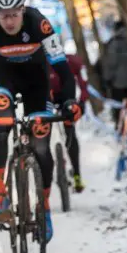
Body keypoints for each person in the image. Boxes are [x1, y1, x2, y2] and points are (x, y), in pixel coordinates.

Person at [0, 0, 81, 242]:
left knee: (41, 143)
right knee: (2, 120)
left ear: (23, 9)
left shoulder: (39, 23)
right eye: (3, 15)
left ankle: (43, 206)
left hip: (36, 82)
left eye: (14, 14)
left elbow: (63, 69)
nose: (9, 21)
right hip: (3, 79)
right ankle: (0, 194)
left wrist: (68, 101)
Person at [48, 50, 88, 193]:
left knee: (70, 131)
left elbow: (83, 82)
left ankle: (77, 174)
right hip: (47, 98)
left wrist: (82, 101)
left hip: (67, 97)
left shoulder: (71, 61)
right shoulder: (39, 60)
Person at [102, 19, 127, 127]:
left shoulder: (114, 44)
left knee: (118, 104)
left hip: (116, 81)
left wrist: (107, 79)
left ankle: (120, 125)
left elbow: (111, 63)